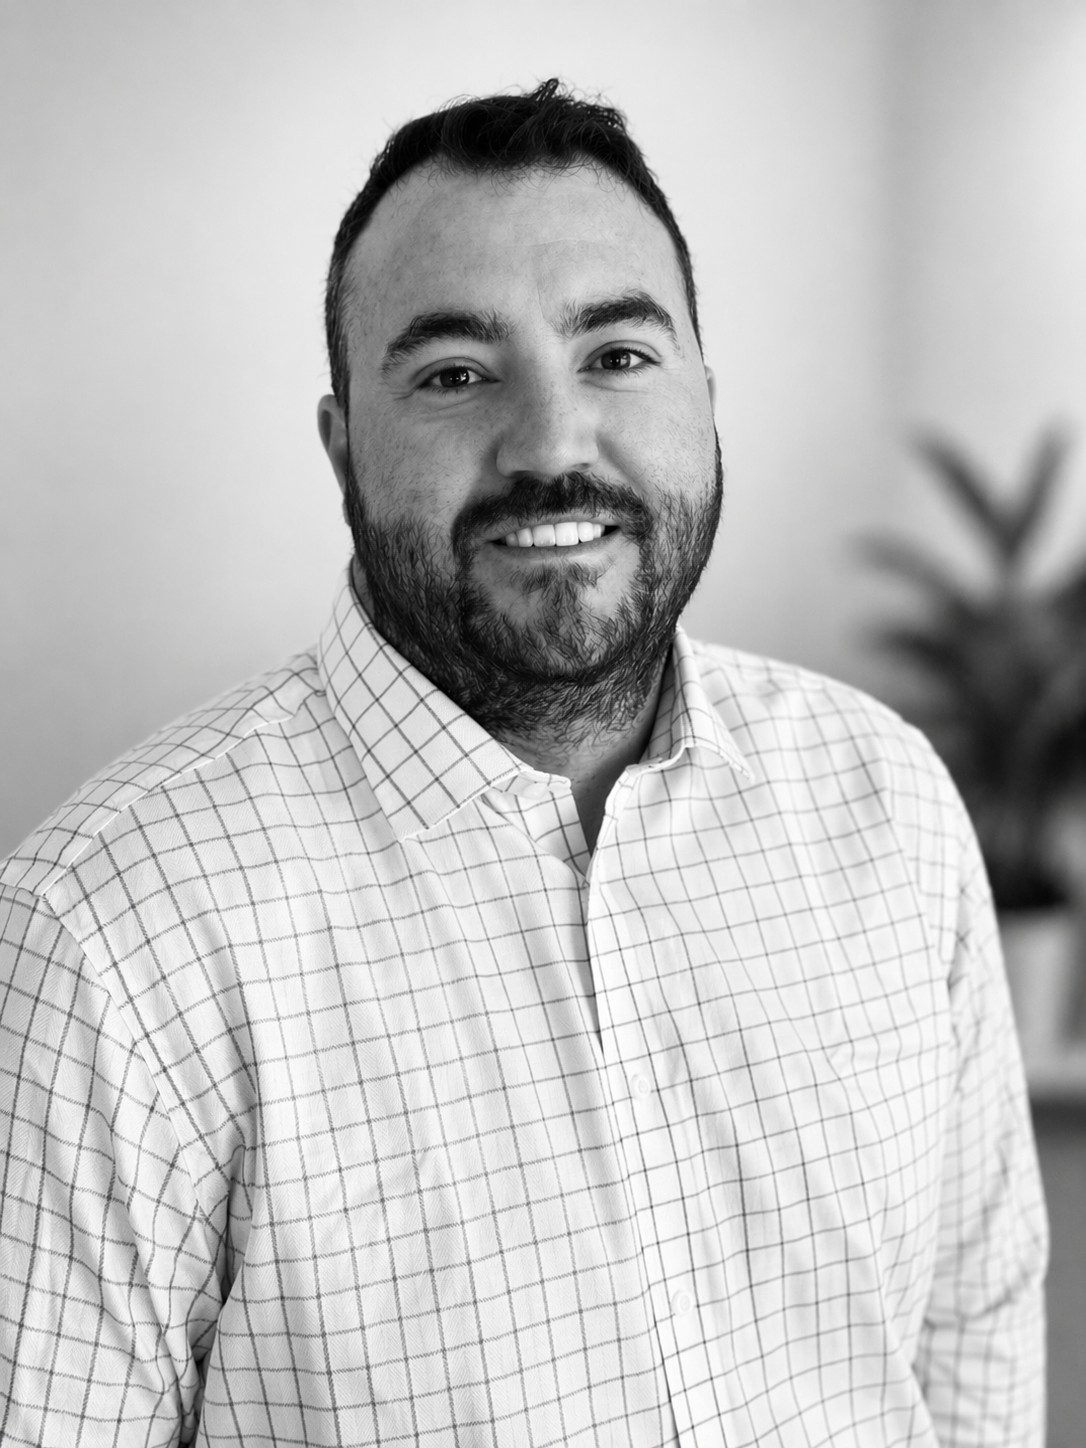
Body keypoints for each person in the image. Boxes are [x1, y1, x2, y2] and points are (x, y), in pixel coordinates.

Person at [0, 80, 1046, 1448]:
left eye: (617, 354)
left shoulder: (886, 797)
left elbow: (972, 1328)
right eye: (453, 375)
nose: (552, 443)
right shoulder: (104, 937)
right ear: (343, 450)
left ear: (706, 402)